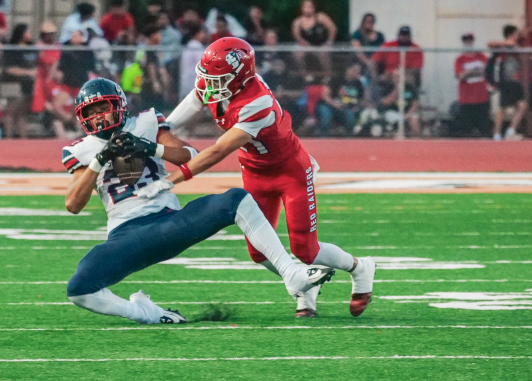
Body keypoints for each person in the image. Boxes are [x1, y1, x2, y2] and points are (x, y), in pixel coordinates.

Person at [61, 78, 333, 324]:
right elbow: (73, 204)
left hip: (169, 223)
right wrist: (100, 159)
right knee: (79, 288)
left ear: (119, 106)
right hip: (127, 235)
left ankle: (292, 274)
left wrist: (150, 148)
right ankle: (146, 313)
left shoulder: (145, 123)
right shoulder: (81, 149)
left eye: (103, 108)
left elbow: (190, 155)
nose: (98, 117)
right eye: (91, 112)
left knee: (236, 199)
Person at [153, 37, 378, 319]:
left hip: (289, 170)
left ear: (239, 77)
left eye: (218, 79)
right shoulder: (218, 83)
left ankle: (360, 267)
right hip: (255, 171)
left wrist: (172, 179)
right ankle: (305, 285)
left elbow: (219, 150)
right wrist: (162, 128)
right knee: (259, 253)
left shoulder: (256, 102)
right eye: (208, 76)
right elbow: (191, 103)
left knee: (306, 250)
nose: (209, 84)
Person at [487, 25, 528, 140]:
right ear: (511, 34)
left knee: (523, 105)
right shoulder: (503, 47)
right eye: (516, 33)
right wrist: (507, 43)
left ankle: (511, 130)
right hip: (506, 81)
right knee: (503, 108)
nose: (517, 36)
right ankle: (497, 133)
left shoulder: (516, 46)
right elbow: (490, 44)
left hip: (516, 81)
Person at [0, 24, 37, 138]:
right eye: (27, 32)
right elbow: (9, 69)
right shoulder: (11, 48)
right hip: (11, 83)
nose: (29, 34)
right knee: (10, 112)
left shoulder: (32, 47)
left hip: (27, 84)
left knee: (21, 114)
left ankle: (23, 139)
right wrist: (28, 72)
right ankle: (9, 138)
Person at [452, 33, 491, 137]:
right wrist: (476, 70)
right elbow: (460, 76)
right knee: (467, 130)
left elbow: (486, 70)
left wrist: (468, 72)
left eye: (469, 41)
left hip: (481, 97)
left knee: (484, 129)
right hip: (467, 98)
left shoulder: (481, 56)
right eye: (466, 42)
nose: (468, 43)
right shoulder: (460, 59)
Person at [178, 24, 207, 100]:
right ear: (197, 34)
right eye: (203, 33)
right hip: (193, 81)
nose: (205, 35)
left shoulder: (190, 45)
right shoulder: (196, 46)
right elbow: (203, 63)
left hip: (188, 81)